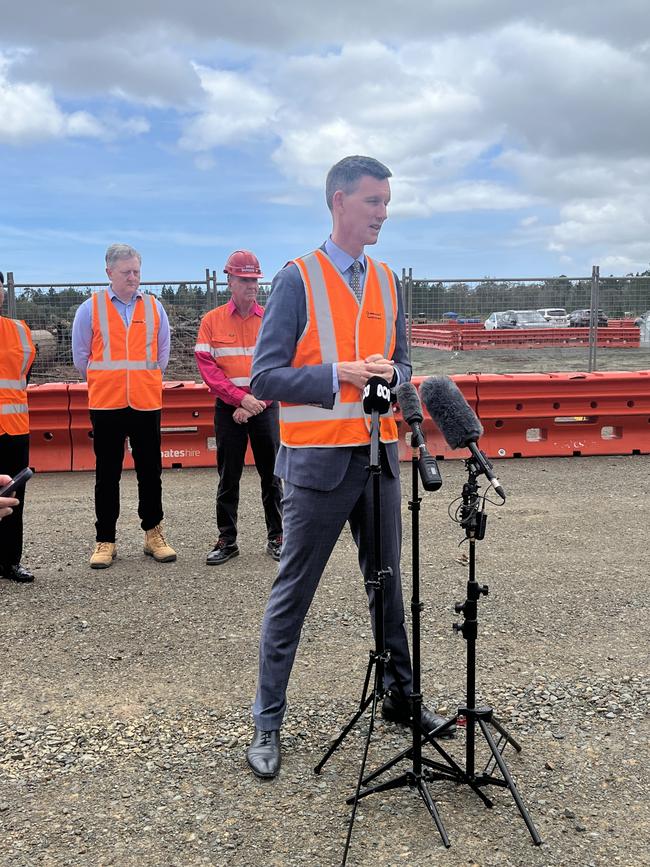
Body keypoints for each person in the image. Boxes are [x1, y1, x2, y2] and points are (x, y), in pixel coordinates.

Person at [245, 156, 454, 780]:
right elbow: (265, 377)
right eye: (373, 202)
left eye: (387, 202)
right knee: (294, 594)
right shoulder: (297, 279)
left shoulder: (390, 280)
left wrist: (397, 376)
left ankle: (401, 697)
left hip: (381, 459)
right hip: (316, 466)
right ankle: (267, 721)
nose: (383, 213)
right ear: (339, 201)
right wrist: (337, 375)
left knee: (389, 586)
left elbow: (406, 367)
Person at [72, 244, 176, 569]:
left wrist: (139, 380)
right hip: (107, 404)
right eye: (126, 272)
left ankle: (154, 534)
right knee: (107, 474)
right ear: (109, 273)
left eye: (136, 271)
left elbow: (161, 356)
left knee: (150, 472)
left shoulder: (155, 308)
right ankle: (106, 540)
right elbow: (81, 358)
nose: (133, 277)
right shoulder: (90, 309)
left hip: (145, 402)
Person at [195, 251, 283, 565]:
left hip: (263, 406)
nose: (251, 285)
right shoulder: (212, 321)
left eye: (255, 280)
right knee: (228, 476)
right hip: (230, 409)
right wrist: (239, 399)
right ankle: (227, 540)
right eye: (244, 279)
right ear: (230, 281)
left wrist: (254, 403)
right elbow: (208, 369)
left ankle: (277, 536)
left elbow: (278, 364)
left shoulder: (270, 319)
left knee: (272, 475)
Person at [0, 271, 36, 581]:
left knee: (13, 498)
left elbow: (23, 375)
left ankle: (10, 561)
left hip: (14, 427)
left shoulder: (20, 332)